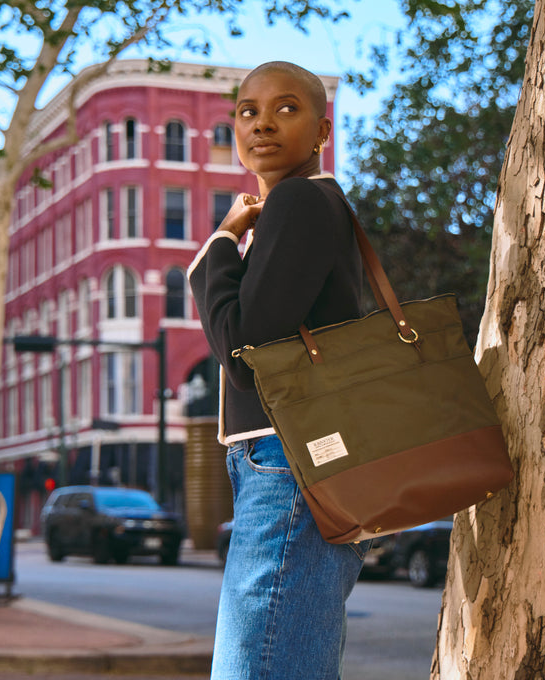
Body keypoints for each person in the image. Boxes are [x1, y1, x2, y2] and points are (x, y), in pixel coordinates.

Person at [188, 61, 368, 679]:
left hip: (289, 460)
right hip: (299, 459)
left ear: (322, 130)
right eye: (247, 111)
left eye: (285, 108)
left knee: (257, 665)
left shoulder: (297, 201)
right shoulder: (307, 207)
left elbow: (243, 353)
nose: (261, 122)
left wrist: (218, 245)